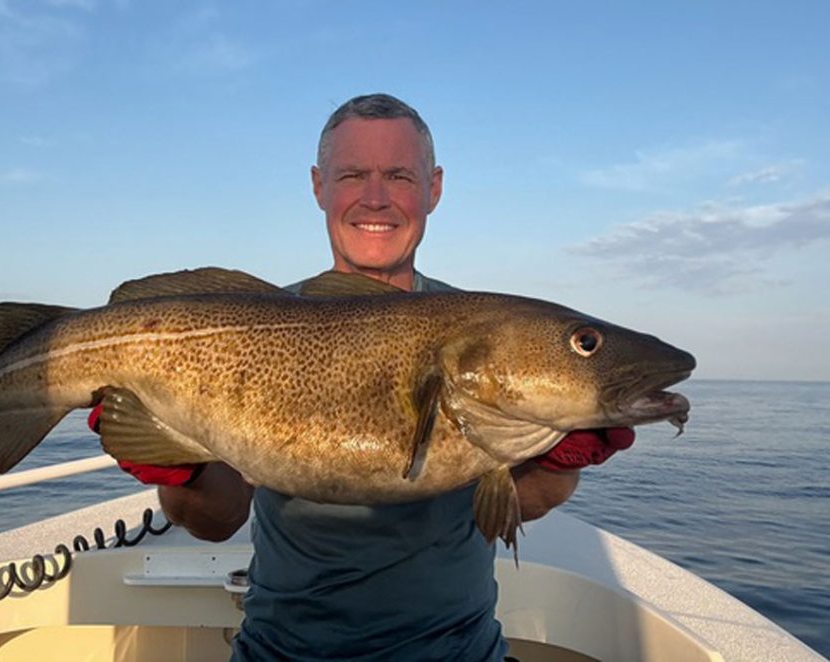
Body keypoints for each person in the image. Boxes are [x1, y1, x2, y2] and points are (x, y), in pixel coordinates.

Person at [94, 94, 635, 661]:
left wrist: (554, 458)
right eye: (353, 174)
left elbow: (522, 502)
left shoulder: (486, 326)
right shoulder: (254, 326)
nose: (375, 197)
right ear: (318, 186)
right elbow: (213, 519)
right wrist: (183, 468)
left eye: (399, 175)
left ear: (434, 188)